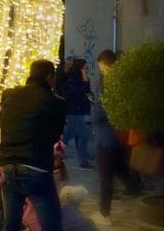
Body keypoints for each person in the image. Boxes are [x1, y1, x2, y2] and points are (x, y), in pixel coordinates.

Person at [0, 59, 66, 231]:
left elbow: (2, 124)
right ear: (50, 77)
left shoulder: (9, 95)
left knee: (10, 224)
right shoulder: (55, 102)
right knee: (52, 224)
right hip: (36, 167)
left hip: (8, 165)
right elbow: (56, 135)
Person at [91, 49, 142, 227]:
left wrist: (94, 115)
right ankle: (135, 188)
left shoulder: (107, 82)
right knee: (118, 168)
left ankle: (104, 214)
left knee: (105, 175)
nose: (99, 69)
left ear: (104, 64)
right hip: (116, 135)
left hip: (105, 136)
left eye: (100, 66)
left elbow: (100, 110)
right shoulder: (124, 81)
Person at [61, 58, 93, 169]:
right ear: (79, 68)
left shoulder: (83, 78)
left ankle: (55, 151)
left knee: (68, 135)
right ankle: (83, 162)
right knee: (82, 135)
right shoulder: (72, 78)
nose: (87, 69)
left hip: (79, 110)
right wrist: (85, 82)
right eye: (85, 68)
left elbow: (87, 91)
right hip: (74, 111)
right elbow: (76, 92)